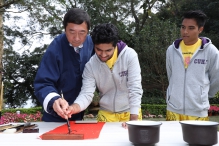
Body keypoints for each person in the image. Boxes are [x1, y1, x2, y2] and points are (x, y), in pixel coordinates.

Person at [66, 23, 143, 125]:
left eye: (108, 50)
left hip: (131, 113)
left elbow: (135, 87)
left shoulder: (130, 56)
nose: (103, 55)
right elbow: (86, 94)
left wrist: (134, 120)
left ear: (115, 46)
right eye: (98, 50)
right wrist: (73, 108)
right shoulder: (90, 66)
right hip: (106, 115)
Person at [34, 8, 94, 122]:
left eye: (82, 32)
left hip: (78, 111)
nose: (77, 38)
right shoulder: (55, 48)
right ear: (65, 30)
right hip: (55, 114)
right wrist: (54, 100)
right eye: (72, 32)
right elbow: (43, 83)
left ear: (87, 32)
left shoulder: (91, 43)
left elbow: (108, 48)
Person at [166, 10, 219, 121]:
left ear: (200, 29)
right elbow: (171, 75)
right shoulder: (171, 50)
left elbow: (216, 78)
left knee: (197, 139)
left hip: (198, 111)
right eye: (183, 27)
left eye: (191, 28)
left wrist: (202, 95)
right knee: (172, 139)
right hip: (173, 110)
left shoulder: (211, 51)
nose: (185, 31)